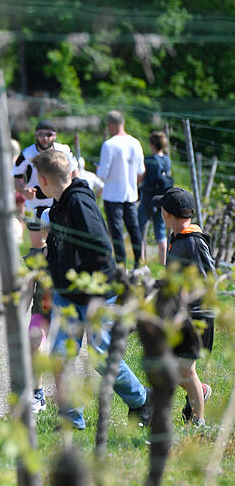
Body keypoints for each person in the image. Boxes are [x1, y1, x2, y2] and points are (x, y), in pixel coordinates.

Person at [33, 149, 151, 430]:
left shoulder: (79, 203)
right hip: (67, 294)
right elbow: (62, 248)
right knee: (60, 356)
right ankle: (71, 419)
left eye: (38, 179)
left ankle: (142, 401)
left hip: (96, 294)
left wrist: (96, 289)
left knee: (101, 357)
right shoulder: (59, 205)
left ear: (44, 178)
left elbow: (100, 247)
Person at [154, 187, 216, 426]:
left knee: (185, 368)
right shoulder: (175, 238)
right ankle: (200, 391)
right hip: (180, 315)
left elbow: (206, 279)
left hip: (197, 316)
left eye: (162, 209)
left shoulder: (192, 241)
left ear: (167, 215)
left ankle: (199, 422)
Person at [12, 120, 79, 251]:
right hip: (34, 203)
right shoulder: (27, 154)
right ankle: (41, 268)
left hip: (58, 201)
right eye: (41, 134)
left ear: (55, 135)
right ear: (36, 135)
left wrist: (73, 193)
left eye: (49, 134)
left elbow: (75, 172)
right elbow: (15, 178)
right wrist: (24, 191)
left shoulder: (63, 150)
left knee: (60, 241)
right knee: (37, 244)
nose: (45, 138)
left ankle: (56, 269)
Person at [97, 111, 145, 268]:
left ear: (111, 125)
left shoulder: (109, 145)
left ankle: (121, 264)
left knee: (116, 232)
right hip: (130, 193)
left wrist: (99, 170)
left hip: (112, 195)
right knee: (134, 229)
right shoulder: (136, 143)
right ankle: (139, 261)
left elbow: (103, 174)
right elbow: (140, 172)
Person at [138, 131, 174, 265]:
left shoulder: (148, 160)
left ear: (152, 144)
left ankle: (140, 261)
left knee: (140, 230)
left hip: (147, 199)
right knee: (160, 233)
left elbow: (141, 177)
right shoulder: (167, 160)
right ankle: (163, 264)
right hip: (161, 200)